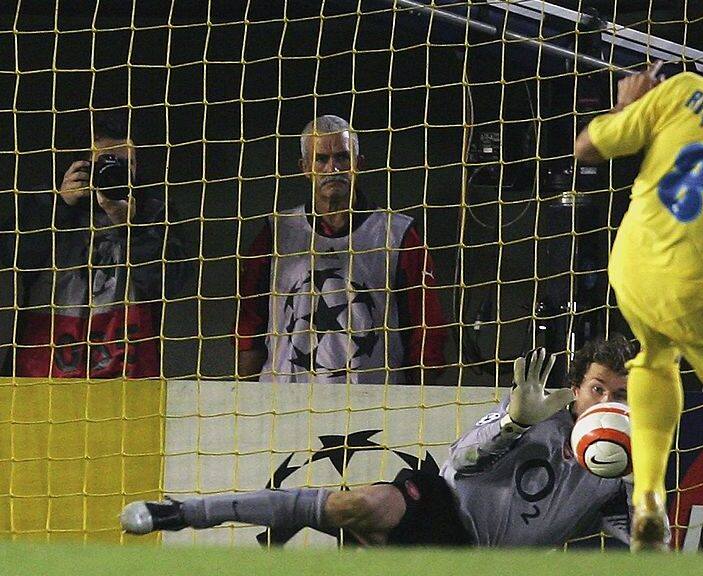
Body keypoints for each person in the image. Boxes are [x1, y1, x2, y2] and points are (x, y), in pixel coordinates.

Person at [121, 337, 641, 548]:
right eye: (598, 389)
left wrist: (641, 503)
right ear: (577, 389)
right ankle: (182, 513)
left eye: (620, 394)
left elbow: (632, 547)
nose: (606, 402)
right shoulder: (541, 414)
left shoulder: (626, 470)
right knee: (358, 504)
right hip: (442, 506)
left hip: (486, 561)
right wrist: (513, 420)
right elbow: (458, 462)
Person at [573, 9, 703, 554]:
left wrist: (625, 107)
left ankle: (649, 500)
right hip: (699, 295)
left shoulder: (682, 90)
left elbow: (586, 146)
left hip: (633, 268)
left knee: (656, 358)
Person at [236, 115, 446, 385]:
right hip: (286, 401)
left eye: (343, 158)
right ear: (304, 167)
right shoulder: (277, 234)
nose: (332, 168)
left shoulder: (398, 235)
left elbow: (427, 332)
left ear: (358, 164)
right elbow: (249, 327)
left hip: (371, 402)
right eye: (321, 159)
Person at [0, 109, 191, 378]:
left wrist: (130, 227)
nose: (119, 171)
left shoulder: (154, 213)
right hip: (43, 369)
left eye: (129, 164)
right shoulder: (47, 207)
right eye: (108, 162)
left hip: (126, 372)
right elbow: (16, 257)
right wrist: (60, 205)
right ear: (83, 165)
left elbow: (171, 282)